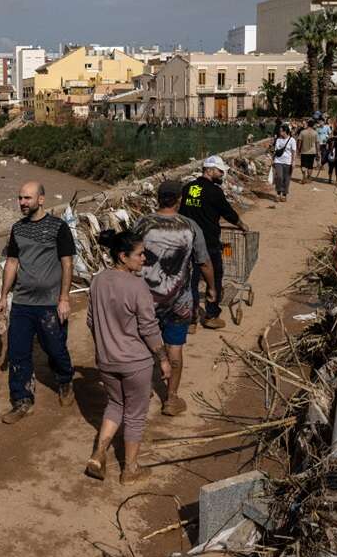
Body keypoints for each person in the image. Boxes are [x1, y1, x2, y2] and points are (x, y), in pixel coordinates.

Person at [85, 230, 171, 483]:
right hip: (135, 362)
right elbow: (149, 327)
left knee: (114, 405)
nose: (144, 258)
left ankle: (99, 453)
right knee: (135, 414)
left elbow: (91, 321)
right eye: (140, 254)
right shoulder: (137, 286)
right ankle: (130, 470)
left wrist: (105, 344)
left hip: (107, 360)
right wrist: (163, 358)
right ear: (123, 256)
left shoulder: (98, 281)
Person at [0, 181, 77, 424]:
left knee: (56, 349)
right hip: (22, 302)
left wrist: (64, 298)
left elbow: (67, 263)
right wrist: (3, 296)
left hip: (50, 303)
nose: (22, 202)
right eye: (20, 198)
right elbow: (12, 263)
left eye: (27, 198)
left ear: (41, 199)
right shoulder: (17, 229)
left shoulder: (58, 227)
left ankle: (64, 380)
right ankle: (22, 400)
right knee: (18, 353)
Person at [137, 181, 217, 416]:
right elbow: (203, 262)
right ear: (180, 199)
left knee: (142, 345)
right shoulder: (190, 227)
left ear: (158, 198)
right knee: (175, 349)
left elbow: (130, 256)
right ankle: (170, 399)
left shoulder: (143, 224)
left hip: (145, 298)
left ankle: (142, 390)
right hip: (179, 300)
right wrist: (211, 288)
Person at [179, 157, 248, 332]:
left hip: (188, 242)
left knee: (191, 282)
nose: (222, 174)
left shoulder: (188, 188)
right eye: (219, 171)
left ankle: (191, 319)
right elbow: (228, 212)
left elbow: (182, 213)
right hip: (209, 242)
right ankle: (211, 315)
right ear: (209, 170)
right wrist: (241, 224)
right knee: (215, 278)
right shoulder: (214, 191)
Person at [271, 126, 296, 202]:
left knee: (286, 179)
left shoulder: (292, 140)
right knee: (279, 177)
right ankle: (278, 193)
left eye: (281, 131)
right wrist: (273, 160)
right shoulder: (278, 140)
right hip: (278, 161)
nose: (280, 132)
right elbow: (276, 151)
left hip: (288, 162)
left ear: (285, 131)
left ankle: (284, 194)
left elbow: (294, 152)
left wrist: (293, 161)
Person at [297, 119, 319, 184]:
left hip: (304, 151)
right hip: (312, 151)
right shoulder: (315, 133)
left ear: (308, 124)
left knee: (303, 165)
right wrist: (318, 152)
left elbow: (299, 142)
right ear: (313, 125)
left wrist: (298, 150)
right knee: (310, 165)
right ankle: (309, 178)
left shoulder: (302, 132)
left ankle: (304, 177)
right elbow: (317, 143)